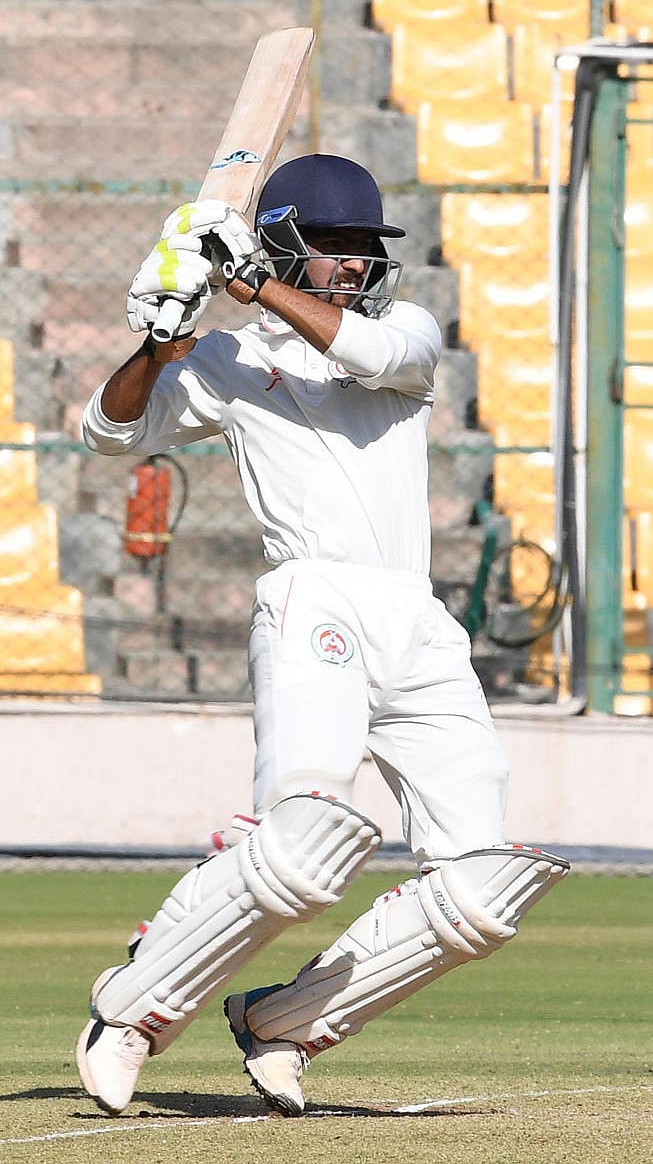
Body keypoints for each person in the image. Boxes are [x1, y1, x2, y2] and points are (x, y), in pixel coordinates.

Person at [76, 154, 570, 1118]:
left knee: (483, 886)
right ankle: (132, 1009)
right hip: (313, 602)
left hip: (416, 621)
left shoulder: (406, 333)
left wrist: (250, 280)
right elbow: (107, 432)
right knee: (305, 839)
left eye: (362, 249)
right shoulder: (228, 362)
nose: (352, 264)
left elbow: (375, 358)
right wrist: (161, 339)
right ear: (289, 239)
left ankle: (286, 1021)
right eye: (333, 245)